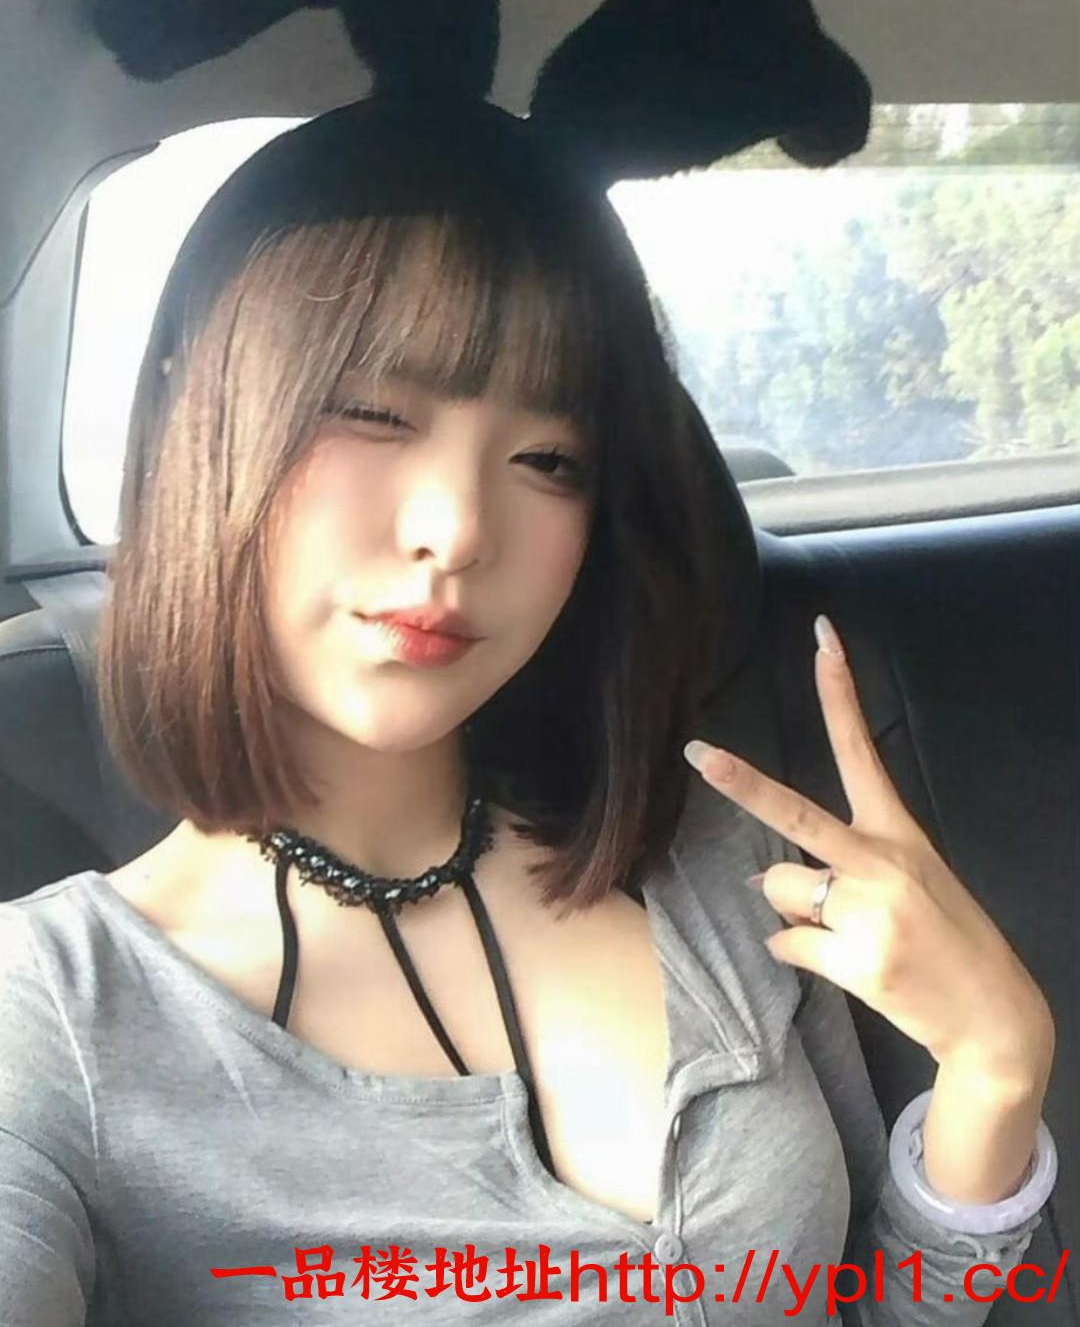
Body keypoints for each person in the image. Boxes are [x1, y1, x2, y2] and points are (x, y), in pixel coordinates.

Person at [0, 94, 1058, 1326]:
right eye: (373, 413)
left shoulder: (711, 856)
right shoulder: (55, 1021)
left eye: (550, 460)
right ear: (191, 411)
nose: (457, 529)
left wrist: (995, 1072)